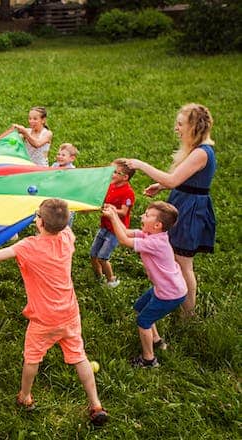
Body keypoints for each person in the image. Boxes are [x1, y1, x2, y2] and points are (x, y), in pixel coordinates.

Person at [0, 199, 108, 426]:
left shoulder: (28, 246)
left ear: (40, 223)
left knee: (32, 358)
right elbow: (63, 222)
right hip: (68, 312)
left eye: (37, 215)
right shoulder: (67, 237)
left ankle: (25, 396)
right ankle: (95, 404)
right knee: (79, 357)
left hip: (44, 318)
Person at [125, 103, 216, 317]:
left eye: (181, 124)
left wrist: (141, 165)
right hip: (183, 202)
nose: (177, 128)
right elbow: (184, 179)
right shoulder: (195, 150)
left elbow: (174, 179)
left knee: (183, 263)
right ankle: (174, 297)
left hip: (191, 210)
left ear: (194, 126)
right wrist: (161, 185)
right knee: (175, 258)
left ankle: (188, 313)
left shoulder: (201, 153)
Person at [103, 202, 187, 368]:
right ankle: (156, 340)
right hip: (165, 288)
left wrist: (113, 217)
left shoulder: (156, 243)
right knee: (141, 307)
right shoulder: (149, 235)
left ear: (157, 225)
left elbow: (123, 240)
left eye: (147, 215)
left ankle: (149, 359)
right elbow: (126, 232)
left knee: (143, 322)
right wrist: (114, 213)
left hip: (169, 294)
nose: (142, 216)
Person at [89, 159, 136, 288]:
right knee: (93, 254)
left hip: (115, 230)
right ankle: (98, 278)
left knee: (102, 257)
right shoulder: (111, 186)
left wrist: (112, 209)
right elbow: (102, 200)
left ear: (125, 177)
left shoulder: (128, 193)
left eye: (115, 172)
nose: (111, 174)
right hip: (104, 226)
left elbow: (124, 212)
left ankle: (111, 280)